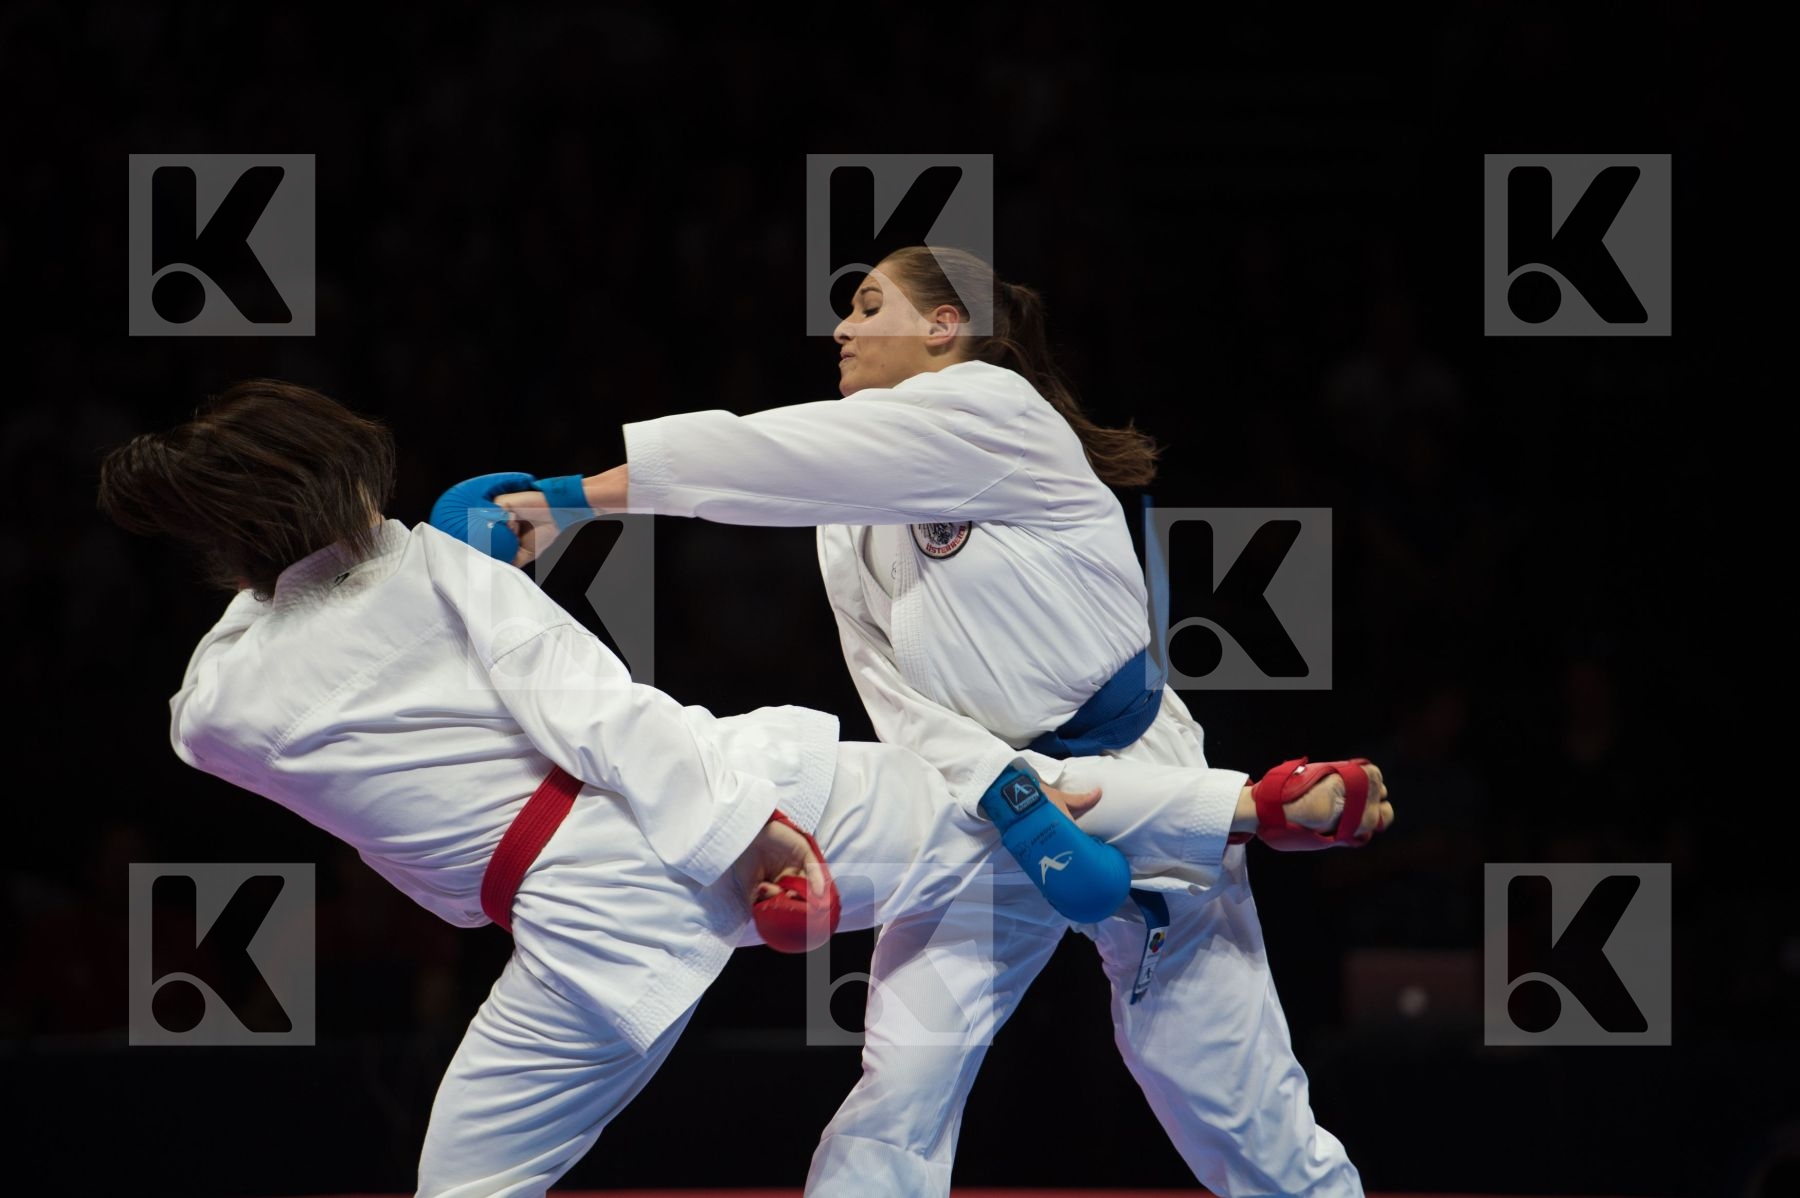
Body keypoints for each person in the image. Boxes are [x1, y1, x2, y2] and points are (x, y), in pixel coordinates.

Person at [441, 245, 1395, 1196]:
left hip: (1129, 765)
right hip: (976, 803)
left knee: (1223, 1091)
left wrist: (568, 498)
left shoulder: (994, 413)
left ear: (946, 328)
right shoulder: (841, 516)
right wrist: (1013, 799)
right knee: (903, 1085)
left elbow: (760, 452)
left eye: (867, 305)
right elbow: (891, 692)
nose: (842, 329)